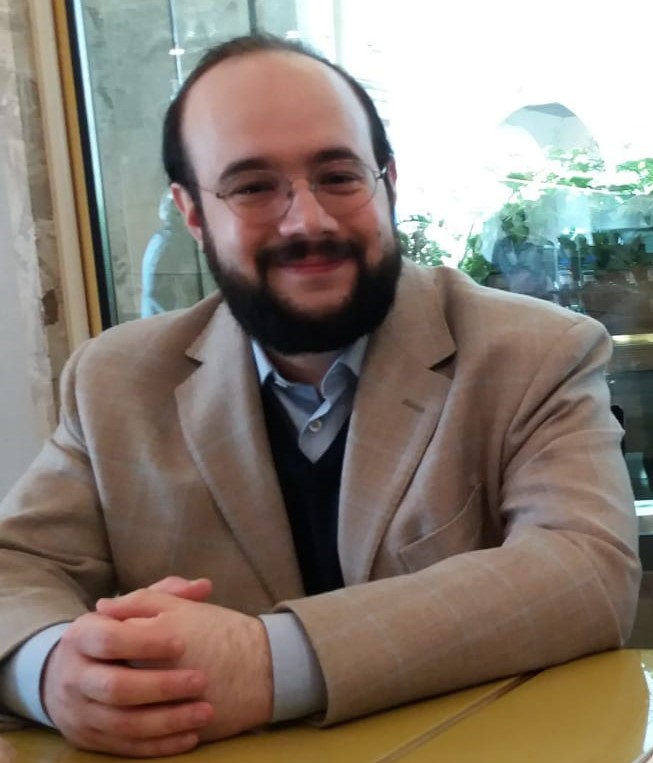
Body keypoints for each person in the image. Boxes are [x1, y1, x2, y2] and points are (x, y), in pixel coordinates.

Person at [0, 34, 640, 758]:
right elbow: (15, 568)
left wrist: (264, 660)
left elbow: (584, 570)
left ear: (388, 182)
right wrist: (51, 668)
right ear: (191, 212)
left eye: (338, 175)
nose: (308, 220)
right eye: (251, 185)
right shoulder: (114, 380)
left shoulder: (532, 351)